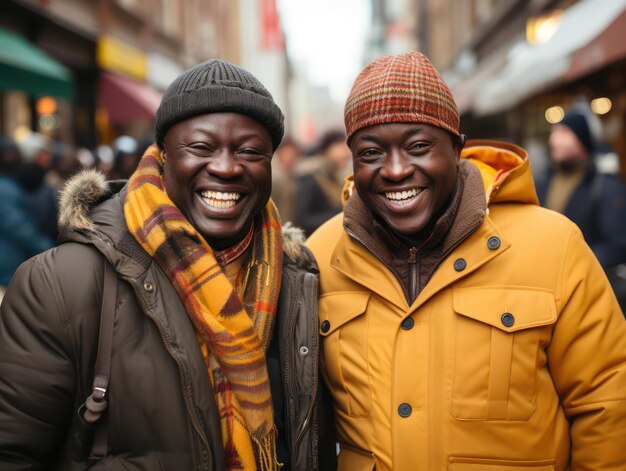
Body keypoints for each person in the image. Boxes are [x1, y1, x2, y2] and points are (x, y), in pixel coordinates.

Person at [0, 60, 335, 471]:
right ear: (162, 158)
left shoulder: (298, 283)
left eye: (249, 151)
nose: (227, 167)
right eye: (201, 147)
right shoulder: (60, 283)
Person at [306, 51, 626, 470]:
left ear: (456, 148)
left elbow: (606, 403)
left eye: (419, 146)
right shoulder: (320, 256)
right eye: (371, 153)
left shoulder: (554, 245)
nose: (396, 170)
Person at [535, 110, 626, 269]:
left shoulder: (605, 186)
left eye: (563, 133)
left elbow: (616, 245)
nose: (553, 141)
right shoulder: (544, 181)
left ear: (582, 139)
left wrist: (573, 263)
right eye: (553, 133)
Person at [0, 136, 53, 290]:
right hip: (9, 266)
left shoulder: (13, 183)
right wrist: (46, 247)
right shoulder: (5, 187)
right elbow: (17, 225)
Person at [293, 129, 351, 236]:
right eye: (341, 147)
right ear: (327, 149)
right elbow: (302, 219)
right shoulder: (311, 177)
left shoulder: (335, 176)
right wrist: (339, 217)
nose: (346, 153)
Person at [270, 136, 301, 223]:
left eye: (293, 154)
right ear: (279, 153)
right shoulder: (275, 176)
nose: (291, 157)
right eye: (287, 153)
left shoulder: (288, 174)